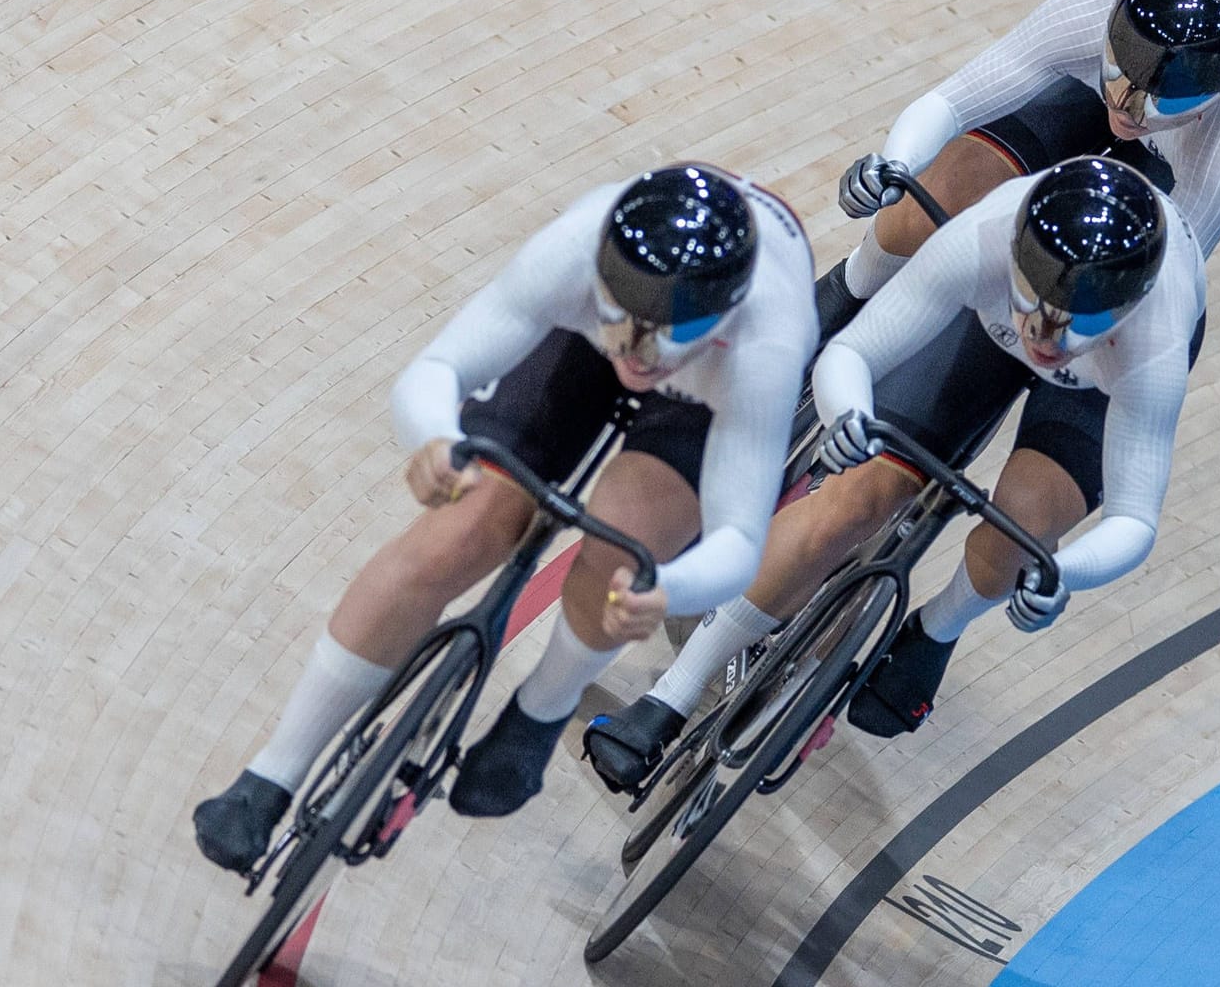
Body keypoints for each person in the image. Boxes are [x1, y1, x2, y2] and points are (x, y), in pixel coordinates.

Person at [191, 165, 817, 872]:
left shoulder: (766, 343)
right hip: (583, 346)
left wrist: (669, 592)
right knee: (457, 531)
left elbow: (739, 536)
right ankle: (271, 774)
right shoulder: (575, 249)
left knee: (626, 556)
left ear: (726, 312)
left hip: (709, 395)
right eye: (626, 317)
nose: (643, 350)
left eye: (674, 330)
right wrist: (434, 439)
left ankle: (544, 709)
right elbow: (438, 369)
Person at [584, 156, 1204, 790]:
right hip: (982, 329)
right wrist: (849, 415)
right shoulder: (981, 240)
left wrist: (1060, 572)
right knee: (853, 500)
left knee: (1017, 541)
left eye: (1081, 322)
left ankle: (938, 627)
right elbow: (855, 349)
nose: (1046, 335)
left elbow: (1134, 518)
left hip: (1094, 385)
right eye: (1034, 302)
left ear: (1129, 307)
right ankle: (670, 696)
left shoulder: (1154, 341)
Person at [814, 0, 1220, 342]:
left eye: (1163, 97)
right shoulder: (1089, 13)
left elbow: (1160, 284)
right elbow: (950, 103)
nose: (1130, 106)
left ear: (1217, 94)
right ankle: (849, 287)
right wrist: (893, 166)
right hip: (1089, 74)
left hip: (1189, 146)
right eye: (1123, 77)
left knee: (1084, 283)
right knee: (952, 179)